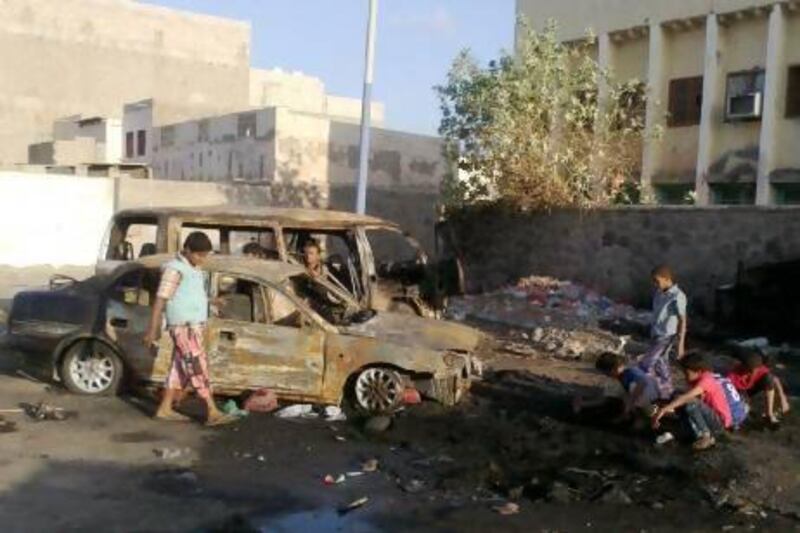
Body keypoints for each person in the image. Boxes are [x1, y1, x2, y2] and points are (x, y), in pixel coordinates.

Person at [143, 232, 232, 426]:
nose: (202, 259)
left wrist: (211, 301)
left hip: (194, 325)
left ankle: (165, 408)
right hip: (183, 327)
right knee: (197, 366)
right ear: (188, 250)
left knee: (179, 368)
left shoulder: (194, 269)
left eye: (205, 255)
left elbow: (190, 296)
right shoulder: (174, 270)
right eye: (199, 255)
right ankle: (211, 409)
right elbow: (161, 299)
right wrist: (153, 328)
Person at [652, 353, 731, 451]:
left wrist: (664, 410)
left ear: (698, 371)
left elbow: (687, 397)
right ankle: (685, 427)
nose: (684, 376)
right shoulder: (697, 377)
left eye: (686, 373)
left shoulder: (706, 380)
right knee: (677, 395)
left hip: (718, 422)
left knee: (690, 402)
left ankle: (705, 436)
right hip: (708, 416)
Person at [638, 265, 687, 401]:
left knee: (646, 364)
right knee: (661, 364)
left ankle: (651, 390)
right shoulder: (659, 293)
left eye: (657, 281)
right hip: (656, 334)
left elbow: (682, 320)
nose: (655, 284)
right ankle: (666, 394)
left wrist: (680, 344)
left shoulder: (677, 296)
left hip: (667, 336)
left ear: (667, 279)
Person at [727, 349, 790, 426]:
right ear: (744, 368)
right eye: (751, 371)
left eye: (756, 370)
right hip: (739, 391)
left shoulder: (758, 368)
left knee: (769, 378)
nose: (754, 372)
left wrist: (783, 399)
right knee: (744, 409)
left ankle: (769, 413)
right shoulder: (732, 376)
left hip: (752, 388)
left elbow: (775, 379)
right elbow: (729, 392)